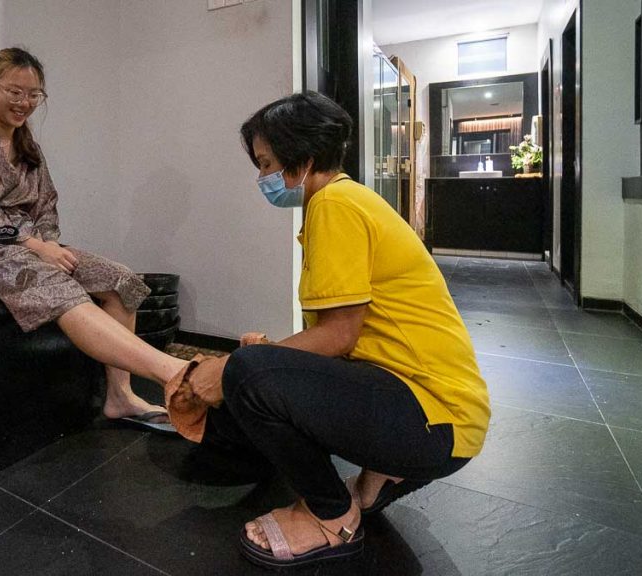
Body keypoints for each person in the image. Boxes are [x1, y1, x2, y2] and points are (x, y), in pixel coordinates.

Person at [164, 92, 490, 570]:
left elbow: (339, 337)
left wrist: (240, 367)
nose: (263, 179)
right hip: (442, 417)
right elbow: (344, 340)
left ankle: (329, 515)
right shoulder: (347, 201)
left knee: (246, 375)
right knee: (254, 373)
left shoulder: (335, 204)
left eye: (267, 164)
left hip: (433, 419)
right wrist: (273, 357)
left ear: (304, 159)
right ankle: (380, 475)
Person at [0, 47, 189, 430]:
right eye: (14, 92)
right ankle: (173, 372)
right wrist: (32, 246)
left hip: (37, 245)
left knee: (120, 279)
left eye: (34, 95)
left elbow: (47, 204)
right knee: (55, 282)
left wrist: (48, 244)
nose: (24, 103)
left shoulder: (27, 145)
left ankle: (121, 396)